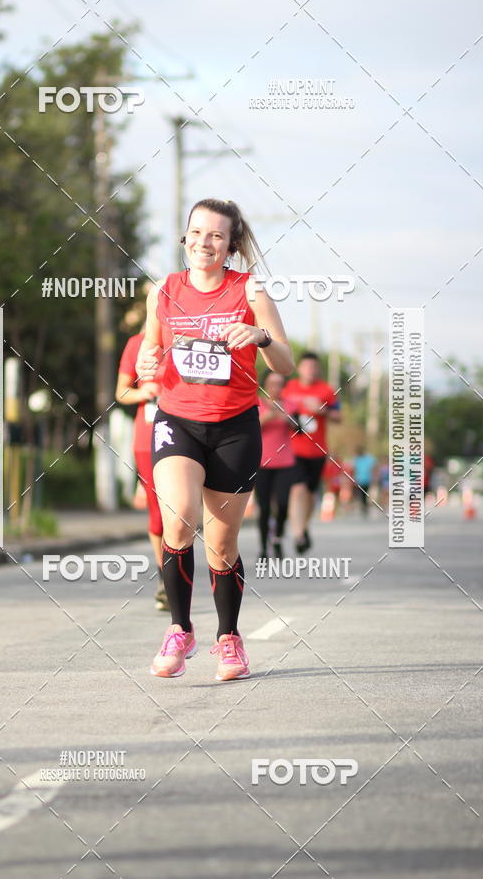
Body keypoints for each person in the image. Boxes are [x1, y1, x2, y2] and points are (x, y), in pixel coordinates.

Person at [136, 198, 294, 680]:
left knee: (221, 544)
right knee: (178, 518)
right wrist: (147, 364)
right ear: (184, 237)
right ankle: (179, 629)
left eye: (216, 235)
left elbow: (284, 363)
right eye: (197, 233)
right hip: (177, 419)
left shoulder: (250, 291)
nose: (205, 242)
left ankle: (229, 639)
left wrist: (261, 338)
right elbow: (151, 347)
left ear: (230, 244)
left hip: (234, 427)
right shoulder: (163, 289)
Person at [116, 322, 169, 611]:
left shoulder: (185, 338)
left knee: (180, 511)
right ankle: (166, 578)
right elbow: (121, 392)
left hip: (186, 433)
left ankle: (178, 572)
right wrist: (143, 392)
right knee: (157, 513)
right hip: (147, 437)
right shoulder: (136, 344)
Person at [282, 352, 341, 553]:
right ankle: (298, 534)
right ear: (299, 368)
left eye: (314, 367)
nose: (310, 370)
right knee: (297, 489)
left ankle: (304, 526)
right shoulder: (289, 388)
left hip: (317, 450)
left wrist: (322, 410)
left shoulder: (327, 390)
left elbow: (338, 417)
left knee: (309, 492)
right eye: (306, 367)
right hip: (292, 449)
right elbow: (278, 409)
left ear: (318, 369)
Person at [255, 371, 294, 561]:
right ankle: (263, 548)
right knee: (264, 508)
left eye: (279, 384)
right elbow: (250, 427)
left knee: (283, 504)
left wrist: (290, 419)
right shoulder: (257, 403)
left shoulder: (290, 405)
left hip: (285, 463)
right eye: (272, 383)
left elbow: (302, 428)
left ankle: (277, 539)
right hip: (261, 463)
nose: (276, 388)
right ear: (265, 385)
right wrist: (268, 416)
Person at [352, 446, 377, 516]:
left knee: (366, 494)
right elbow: (355, 469)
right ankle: (364, 507)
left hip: (367, 479)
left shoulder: (369, 458)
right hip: (360, 480)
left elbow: (374, 468)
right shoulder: (356, 459)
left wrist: (374, 478)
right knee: (362, 494)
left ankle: (365, 506)